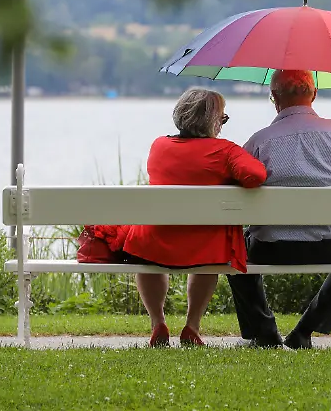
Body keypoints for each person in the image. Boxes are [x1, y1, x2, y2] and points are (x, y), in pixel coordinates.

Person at [89, 88, 267, 347]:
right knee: (207, 253)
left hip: (154, 242)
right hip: (204, 248)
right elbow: (256, 176)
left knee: (148, 249)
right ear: (213, 121)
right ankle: (192, 325)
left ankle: (158, 322)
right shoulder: (226, 151)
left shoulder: (159, 146)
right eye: (223, 118)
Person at [226, 69, 331, 349]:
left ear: (274, 98)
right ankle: (305, 331)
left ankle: (264, 332)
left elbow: (234, 194)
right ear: (314, 94)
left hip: (271, 248)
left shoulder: (260, 141)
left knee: (233, 249)